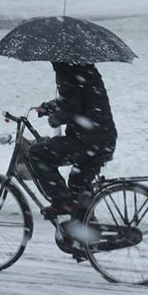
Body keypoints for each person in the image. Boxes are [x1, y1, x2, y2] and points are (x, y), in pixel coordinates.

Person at [29, 62, 117, 220]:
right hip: (104, 139)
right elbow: (76, 98)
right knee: (78, 192)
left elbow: (72, 106)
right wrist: (48, 107)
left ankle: (62, 202)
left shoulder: (66, 69)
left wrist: (54, 119)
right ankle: (87, 234)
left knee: (37, 153)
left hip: (86, 140)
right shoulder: (83, 66)